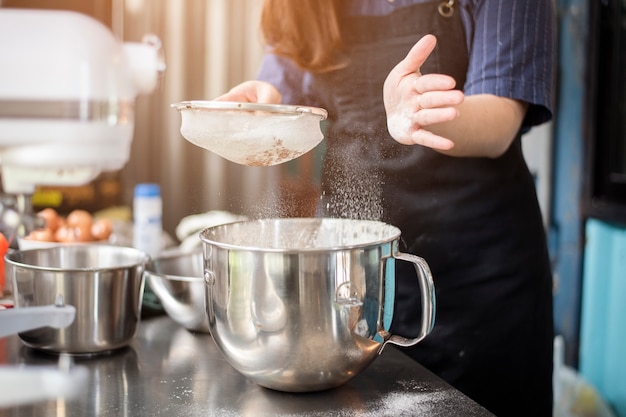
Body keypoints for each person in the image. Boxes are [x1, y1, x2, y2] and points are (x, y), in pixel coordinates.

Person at [217, 1, 555, 415]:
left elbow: (499, 121)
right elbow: (288, 86)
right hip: (353, 281)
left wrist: (419, 115)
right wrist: (269, 105)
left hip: (482, 282)